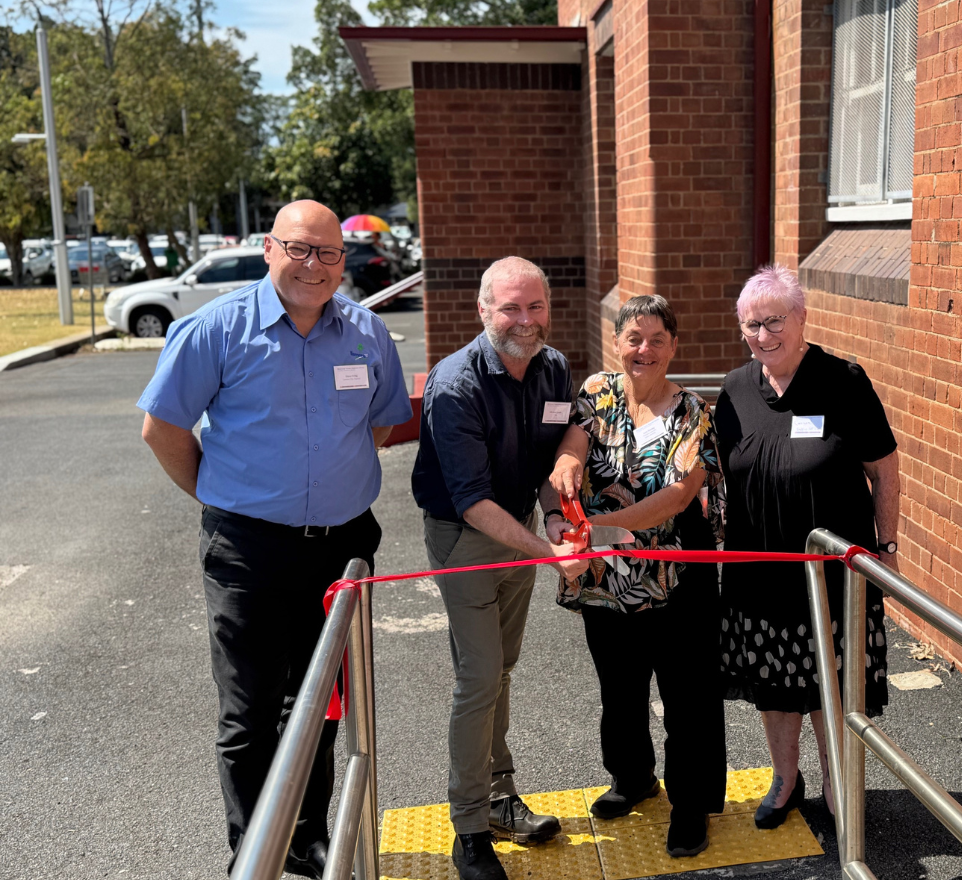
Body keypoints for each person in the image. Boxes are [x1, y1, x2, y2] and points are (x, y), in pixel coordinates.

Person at [137, 199, 412, 878]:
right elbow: (162, 429)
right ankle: (251, 853)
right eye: (299, 248)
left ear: (342, 261)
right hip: (248, 551)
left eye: (328, 253)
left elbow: (378, 425)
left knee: (322, 703)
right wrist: (225, 496)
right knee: (250, 711)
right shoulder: (215, 329)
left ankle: (307, 836)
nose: (313, 265)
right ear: (269, 249)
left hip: (342, 547)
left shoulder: (367, 332)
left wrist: (327, 482)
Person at [411, 256, 590, 880]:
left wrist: (556, 515)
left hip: (522, 529)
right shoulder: (454, 384)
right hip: (467, 536)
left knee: (501, 672)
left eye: (535, 306)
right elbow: (471, 501)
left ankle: (499, 796)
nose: (525, 320)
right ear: (484, 310)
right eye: (510, 308)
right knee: (479, 678)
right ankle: (469, 829)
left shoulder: (554, 366)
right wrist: (547, 551)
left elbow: (554, 449)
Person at [715, 264, 900, 828]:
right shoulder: (734, 390)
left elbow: (884, 471)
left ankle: (837, 783)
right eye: (752, 325)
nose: (764, 335)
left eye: (775, 321)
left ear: (801, 319)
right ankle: (785, 779)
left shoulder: (843, 381)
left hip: (833, 572)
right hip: (759, 571)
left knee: (831, 685)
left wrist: (888, 547)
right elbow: (721, 474)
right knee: (775, 684)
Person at [548, 295, 727, 858]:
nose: (643, 349)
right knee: (620, 689)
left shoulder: (693, 412)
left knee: (686, 696)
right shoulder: (596, 393)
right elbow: (573, 443)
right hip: (606, 578)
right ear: (616, 343)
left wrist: (601, 526)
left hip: (677, 578)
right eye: (634, 338)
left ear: (673, 347)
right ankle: (633, 778)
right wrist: (568, 461)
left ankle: (691, 805)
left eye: (656, 339)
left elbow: (677, 496)